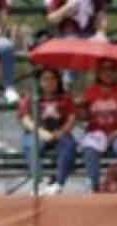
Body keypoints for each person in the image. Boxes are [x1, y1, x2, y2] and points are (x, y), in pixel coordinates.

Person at [17, 67, 78, 195]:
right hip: (37, 132)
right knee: (31, 145)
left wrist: (61, 131)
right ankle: (39, 182)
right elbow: (25, 119)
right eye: (45, 79)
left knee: (69, 145)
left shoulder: (65, 98)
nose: (49, 83)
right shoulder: (31, 97)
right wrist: (40, 132)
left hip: (59, 132)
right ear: (39, 81)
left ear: (58, 81)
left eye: (52, 79)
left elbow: (72, 118)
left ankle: (58, 183)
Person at [80, 59, 117, 191]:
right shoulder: (90, 91)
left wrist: (116, 133)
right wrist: (80, 107)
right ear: (98, 73)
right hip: (96, 133)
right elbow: (84, 118)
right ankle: (93, 186)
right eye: (104, 70)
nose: (108, 73)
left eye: (111, 69)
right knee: (89, 150)